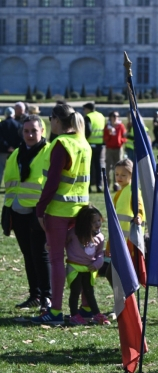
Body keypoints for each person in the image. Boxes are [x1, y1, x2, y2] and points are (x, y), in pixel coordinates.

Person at [32, 104, 92, 325]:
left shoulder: (61, 144)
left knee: (57, 259)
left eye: (50, 119)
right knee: (81, 260)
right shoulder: (84, 143)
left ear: (57, 120)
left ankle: (55, 311)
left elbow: (53, 181)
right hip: (81, 210)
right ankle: (87, 307)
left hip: (59, 210)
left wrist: (41, 208)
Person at [4, 115, 51, 311]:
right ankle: (35, 295)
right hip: (18, 210)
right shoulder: (17, 153)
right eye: (26, 131)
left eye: (34, 130)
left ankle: (47, 296)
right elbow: (11, 183)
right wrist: (7, 210)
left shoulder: (49, 152)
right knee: (27, 254)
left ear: (42, 131)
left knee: (40, 254)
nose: (30, 134)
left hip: (39, 210)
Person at [65, 205, 110, 326]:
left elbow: (100, 253)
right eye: (93, 221)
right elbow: (62, 242)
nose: (97, 223)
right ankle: (74, 315)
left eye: (98, 220)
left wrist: (97, 263)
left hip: (89, 268)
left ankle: (96, 314)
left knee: (89, 292)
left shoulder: (100, 237)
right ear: (85, 222)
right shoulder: (73, 233)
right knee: (75, 292)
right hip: (74, 267)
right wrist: (50, 245)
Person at [83, 102, 105, 193]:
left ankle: (89, 187)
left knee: (89, 166)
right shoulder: (101, 116)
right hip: (100, 144)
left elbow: (88, 130)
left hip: (90, 144)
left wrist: (84, 138)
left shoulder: (88, 117)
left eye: (84, 109)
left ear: (88, 109)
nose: (84, 112)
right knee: (98, 165)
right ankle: (99, 185)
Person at [103, 111, 126, 191]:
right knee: (108, 167)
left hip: (118, 149)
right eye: (114, 116)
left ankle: (116, 184)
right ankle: (107, 185)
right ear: (110, 117)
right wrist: (109, 134)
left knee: (118, 167)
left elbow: (125, 136)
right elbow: (105, 138)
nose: (115, 117)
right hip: (109, 149)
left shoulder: (121, 126)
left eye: (117, 116)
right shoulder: (107, 126)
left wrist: (120, 141)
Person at [0, 107, 21, 187]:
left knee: (0, 169)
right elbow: (20, 139)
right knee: (13, 169)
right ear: (13, 115)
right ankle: (13, 185)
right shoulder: (18, 125)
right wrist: (14, 147)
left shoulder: (1, 124)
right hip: (15, 151)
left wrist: (7, 146)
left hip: (2, 150)